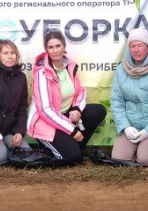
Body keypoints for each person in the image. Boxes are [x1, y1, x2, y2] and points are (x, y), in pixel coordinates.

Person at [26, 30, 107, 164]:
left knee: (98, 110)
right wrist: (72, 130)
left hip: (65, 116)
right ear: (46, 49)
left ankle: (73, 147)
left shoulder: (69, 66)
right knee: (73, 158)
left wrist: (77, 109)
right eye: (50, 47)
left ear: (64, 46)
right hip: (46, 122)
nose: (55, 50)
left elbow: (80, 92)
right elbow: (45, 110)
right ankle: (51, 149)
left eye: (58, 46)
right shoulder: (42, 73)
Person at [110, 28, 148, 166]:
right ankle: (134, 147)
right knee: (119, 158)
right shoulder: (121, 69)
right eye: (132, 46)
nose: (136, 50)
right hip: (131, 125)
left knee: (146, 160)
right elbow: (117, 101)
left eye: (140, 45)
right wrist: (125, 127)